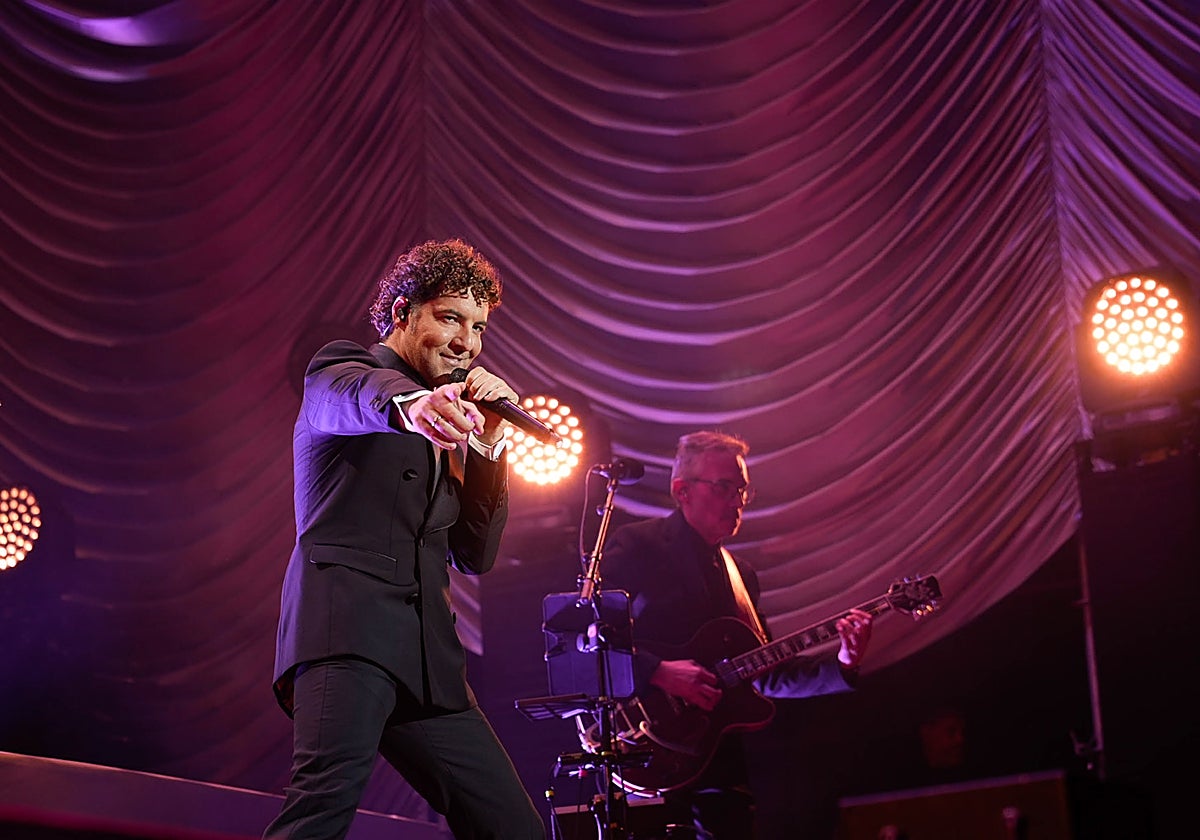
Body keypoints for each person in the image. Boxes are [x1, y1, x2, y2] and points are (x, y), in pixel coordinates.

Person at [264, 239, 544, 840]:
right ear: (402, 313)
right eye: (450, 318)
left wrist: (490, 441)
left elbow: (474, 555)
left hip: (428, 661)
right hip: (347, 635)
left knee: (513, 828)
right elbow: (353, 395)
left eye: (477, 327)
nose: (466, 342)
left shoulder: (455, 422)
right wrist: (413, 406)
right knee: (318, 814)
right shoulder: (342, 371)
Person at [600, 431, 873, 839]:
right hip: (644, 749)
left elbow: (767, 673)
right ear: (682, 490)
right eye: (725, 487)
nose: (738, 501)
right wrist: (658, 671)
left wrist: (843, 661)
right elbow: (590, 639)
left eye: (743, 489)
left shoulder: (740, 575)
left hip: (717, 766)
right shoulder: (638, 545)